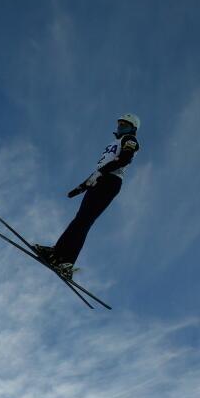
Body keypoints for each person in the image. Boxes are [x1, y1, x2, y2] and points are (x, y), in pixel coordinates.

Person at [34, 113, 140, 277]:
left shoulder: (129, 140)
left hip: (111, 181)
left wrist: (100, 174)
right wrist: (83, 185)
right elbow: (102, 168)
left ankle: (67, 261)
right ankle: (57, 253)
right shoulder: (115, 141)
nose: (120, 127)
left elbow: (124, 159)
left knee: (84, 220)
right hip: (101, 180)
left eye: (125, 125)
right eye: (119, 124)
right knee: (79, 220)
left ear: (133, 128)